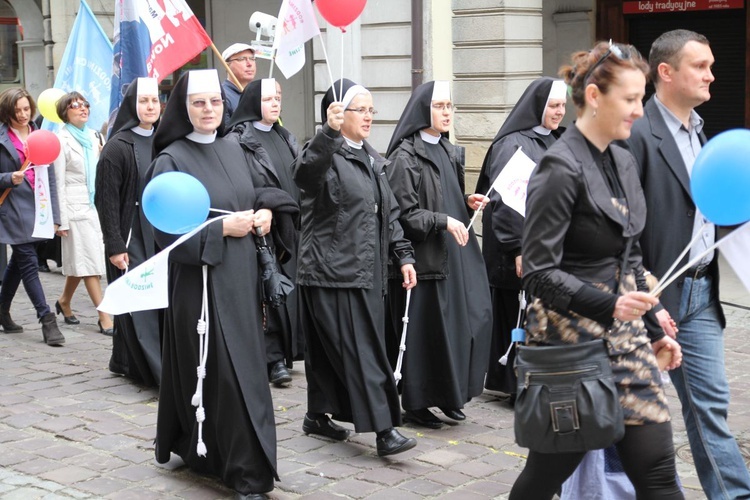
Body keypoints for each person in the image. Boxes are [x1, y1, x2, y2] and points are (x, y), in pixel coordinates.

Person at [509, 41, 684, 499]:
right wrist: (612, 305)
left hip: (627, 342)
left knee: (658, 470)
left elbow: (631, 261)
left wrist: (651, 326)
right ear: (593, 96)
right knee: (546, 475)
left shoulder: (624, 161)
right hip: (571, 346)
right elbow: (538, 273)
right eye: (630, 99)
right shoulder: (558, 167)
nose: (639, 112)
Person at [150, 69, 295, 500]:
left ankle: (199, 447)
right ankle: (246, 470)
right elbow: (164, 239)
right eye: (199, 103)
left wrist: (265, 213)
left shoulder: (235, 147)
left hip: (240, 280)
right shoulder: (170, 160)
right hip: (200, 286)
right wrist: (219, 232)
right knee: (223, 375)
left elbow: (256, 192)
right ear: (184, 108)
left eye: (215, 102)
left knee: (238, 371)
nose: (209, 110)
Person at [626, 29, 750, 499]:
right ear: (666, 72)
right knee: (627, 414)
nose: (712, 75)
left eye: (713, 65)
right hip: (651, 298)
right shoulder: (637, 133)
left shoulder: (702, 131)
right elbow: (624, 231)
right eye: (701, 66)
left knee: (709, 407)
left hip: (701, 291)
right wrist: (646, 298)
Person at [294, 78, 418, 457]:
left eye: (371, 110)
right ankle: (384, 430)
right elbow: (303, 175)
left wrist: (404, 254)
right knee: (361, 352)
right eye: (360, 109)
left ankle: (317, 415)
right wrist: (326, 134)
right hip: (331, 271)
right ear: (337, 114)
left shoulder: (372, 158)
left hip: (366, 271)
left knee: (333, 350)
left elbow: (389, 213)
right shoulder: (322, 153)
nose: (369, 117)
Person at [384, 80, 492, 427]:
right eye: (440, 106)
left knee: (467, 323)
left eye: (450, 106)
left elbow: (443, 196)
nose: (447, 112)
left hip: (455, 253)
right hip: (428, 258)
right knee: (429, 332)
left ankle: (450, 394)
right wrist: (444, 219)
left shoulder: (447, 149)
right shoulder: (405, 156)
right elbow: (403, 213)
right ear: (423, 111)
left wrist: (464, 203)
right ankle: (417, 402)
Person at [474, 76, 567, 401]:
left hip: (545, 245)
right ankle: (515, 384)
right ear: (538, 105)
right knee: (516, 314)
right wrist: (517, 248)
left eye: (563, 106)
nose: (560, 112)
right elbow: (505, 200)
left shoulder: (556, 140)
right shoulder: (512, 144)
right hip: (515, 246)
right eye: (554, 106)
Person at [226, 78, 300, 387]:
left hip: (290, 225)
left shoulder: (286, 136)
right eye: (268, 98)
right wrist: (266, 205)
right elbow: (240, 185)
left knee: (288, 292)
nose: (275, 102)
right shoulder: (238, 140)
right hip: (260, 227)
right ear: (254, 100)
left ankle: (288, 353)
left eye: (278, 97)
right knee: (267, 293)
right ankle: (271, 360)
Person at [95, 78, 162, 386]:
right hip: (131, 235)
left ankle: (123, 360)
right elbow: (106, 200)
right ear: (132, 105)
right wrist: (115, 245)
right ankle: (155, 371)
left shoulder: (165, 141)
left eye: (155, 100)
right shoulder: (117, 147)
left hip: (160, 233)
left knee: (155, 300)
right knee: (139, 302)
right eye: (144, 100)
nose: (151, 106)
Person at [0, 88, 64, 345]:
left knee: (20, 258)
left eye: (27, 109)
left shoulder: (39, 135)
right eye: (17, 111)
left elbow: (49, 176)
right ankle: (47, 318)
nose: (23, 115)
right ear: (7, 112)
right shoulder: (2, 137)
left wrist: (56, 215)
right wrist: (8, 178)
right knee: (28, 261)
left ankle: (2, 311)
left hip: (40, 207)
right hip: (12, 207)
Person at [52, 91, 113, 335]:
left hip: (96, 204)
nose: (82, 109)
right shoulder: (60, 140)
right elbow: (58, 182)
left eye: (85, 105)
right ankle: (104, 315)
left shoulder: (95, 136)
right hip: (74, 207)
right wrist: (60, 220)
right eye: (75, 106)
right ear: (65, 113)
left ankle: (64, 301)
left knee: (84, 258)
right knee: (91, 263)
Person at [221, 43, 256, 124]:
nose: (249, 64)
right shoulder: (222, 96)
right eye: (242, 59)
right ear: (227, 65)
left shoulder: (256, 95)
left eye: (252, 59)